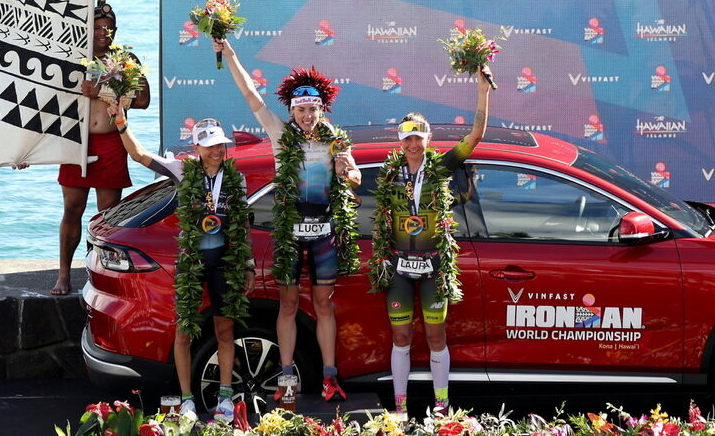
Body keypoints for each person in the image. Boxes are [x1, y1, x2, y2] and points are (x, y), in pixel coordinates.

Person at [213, 38, 361, 401]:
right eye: (301, 110)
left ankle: (329, 376)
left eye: (313, 109)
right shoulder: (280, 136)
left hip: (324, 230)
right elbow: (252, 96)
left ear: (321, 110)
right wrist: (230, 54)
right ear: (292, 112)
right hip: (291, 233)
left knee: (324, 305)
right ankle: (285, 378)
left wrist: (346, 172)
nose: (307, 115)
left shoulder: (335, 141)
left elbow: (355, 176)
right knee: (289, 305)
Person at [107, 102, 255, 421]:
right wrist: (120, 122)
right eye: (211, 145)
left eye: (221, 144)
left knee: (225, 330)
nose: (217, 150)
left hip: (225, 264)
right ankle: (187, 399)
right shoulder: (182, 171)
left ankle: (226, 397)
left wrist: (249, 265)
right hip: (191, 264)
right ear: (197, 146)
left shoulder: (235, 178)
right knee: (183, 332)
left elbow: (242, 225)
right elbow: (140, 156)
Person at [369, 67, 493, 413]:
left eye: (418, 138)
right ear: (399, 141)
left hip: (434, 268)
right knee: (402, 338)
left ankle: (441, 408)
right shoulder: (389, 174)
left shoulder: (438, 169)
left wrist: (483, 91)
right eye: (406, 138)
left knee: (436, 337)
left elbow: (476, 135)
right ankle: (398, 409)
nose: (412, 144)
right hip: (397, 268)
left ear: (427, 139)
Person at [50, 3, 151, 295]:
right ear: (86, 29)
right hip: (76, 142)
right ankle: (64, 275)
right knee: (72, 208)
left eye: (107, 28)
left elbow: (143, 100)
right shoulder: (72, 58)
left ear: (115, 30)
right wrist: (29, 151)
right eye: (96, 28)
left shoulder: (125, 59)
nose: (102, 33)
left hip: (111, 142)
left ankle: (102, 275)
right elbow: (45, 104)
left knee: (107, 216)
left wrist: (104, 90)